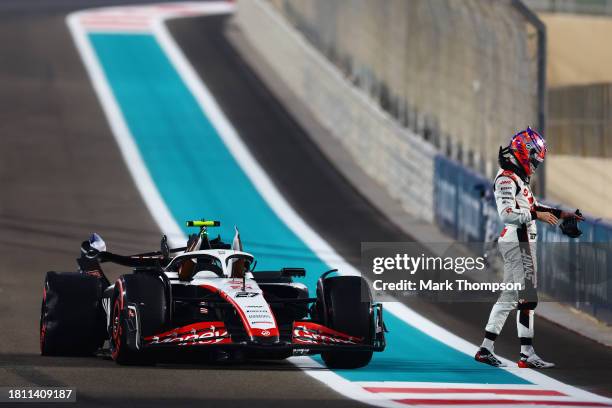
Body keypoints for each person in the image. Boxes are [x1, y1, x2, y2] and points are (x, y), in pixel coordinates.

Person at [474, 127, 583, 369]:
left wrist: (561, 213)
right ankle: (526, 354)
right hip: (518, 241)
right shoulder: (506, 178)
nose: (536, 164)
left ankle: (486, 349)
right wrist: (538, 215)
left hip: (520, 240)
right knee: (528, 298)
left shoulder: (517, 177)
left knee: (511, 296)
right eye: (535, 158)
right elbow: (507, 214)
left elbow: (533, 205)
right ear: (525, 153)